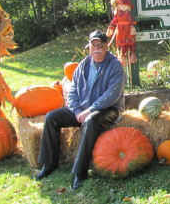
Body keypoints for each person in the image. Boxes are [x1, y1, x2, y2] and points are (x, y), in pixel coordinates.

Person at [33, 30, 125, 189]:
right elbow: (73, 89)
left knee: (90, 121)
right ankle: (48, 165)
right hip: (81, 109)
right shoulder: (83, 65)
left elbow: (112, 94)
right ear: (89, 46)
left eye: (100, 45)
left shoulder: (114, 65)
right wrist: (75, 110)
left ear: (106, 46)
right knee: (51, 117)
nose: (97, 48)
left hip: (108, 109)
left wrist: (90, 110)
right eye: (93, 45)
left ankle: (80, 173)